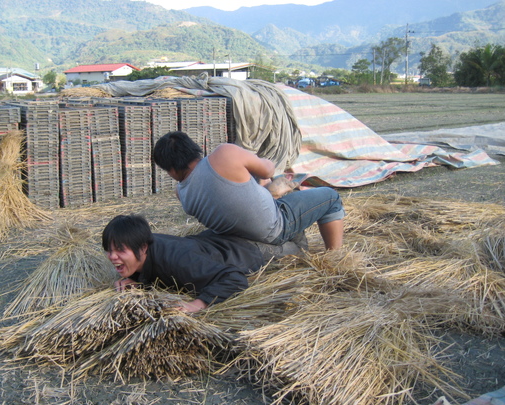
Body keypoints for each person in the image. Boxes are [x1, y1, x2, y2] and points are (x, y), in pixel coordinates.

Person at [153, 131, 345, 251]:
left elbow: (225, 199)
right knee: (331, 197)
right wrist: (256, 160)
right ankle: (335, 257)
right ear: (194, 149)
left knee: (253, 179)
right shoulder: (224, 154)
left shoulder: (182, 193)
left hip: (239, 236)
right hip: (275, 228)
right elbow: (268, 169)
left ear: (170, 169)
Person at [102, 214, 266, 313]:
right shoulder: (144, 248)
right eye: (109, 250)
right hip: (220, 241)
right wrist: (138, 281)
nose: (112, 257)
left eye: (120, 250)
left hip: (252, 252)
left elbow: (234, 279)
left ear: (143, 247)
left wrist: (197, 304)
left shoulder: (179, 261)